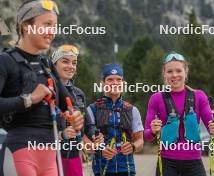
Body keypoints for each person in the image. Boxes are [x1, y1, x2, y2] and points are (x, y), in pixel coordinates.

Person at [0, 1, 84, 175]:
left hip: (50, 157)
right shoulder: (5, 61)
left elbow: (68, 102)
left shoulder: (46, 65)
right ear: (26, 26)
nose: (52, 31)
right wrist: (29, 99)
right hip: (19, 153)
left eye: (54, 26)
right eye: (46, 25)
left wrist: (75, 116)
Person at [144, 52, 214, 176]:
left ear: (186, 72)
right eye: (169, 71)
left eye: (179, 71)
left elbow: (212, 129)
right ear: (164, 74)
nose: (174, 75)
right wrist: (153, 130)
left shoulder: (199, 96)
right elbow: (147, 135)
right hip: (167, 162)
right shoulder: (156, 98)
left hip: (194, 162)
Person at [52, 44, 104, 176]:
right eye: (65, 61)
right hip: (50, 155)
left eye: (74, 63)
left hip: (74, 155)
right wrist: (61, 135)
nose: (70, 66)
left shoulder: (78, 94)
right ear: (54, 65)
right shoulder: (47, 91)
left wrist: (94, 135)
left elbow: (88, 124)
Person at [87, 63, 144, 176]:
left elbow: (140, 141)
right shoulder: (91, 109)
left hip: (127, 170)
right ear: (102, 83)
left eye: (119, 79)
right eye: (110, 79)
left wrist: (133, 147)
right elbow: (85, 143)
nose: (115, 83)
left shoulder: (132, 110)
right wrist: (100, 150)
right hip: (101, 170)